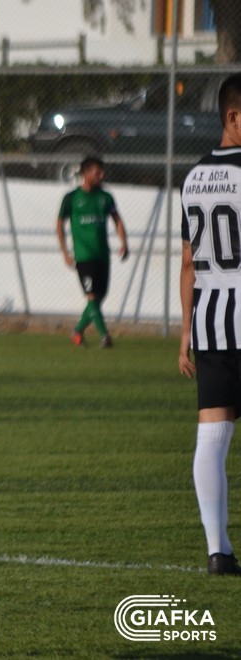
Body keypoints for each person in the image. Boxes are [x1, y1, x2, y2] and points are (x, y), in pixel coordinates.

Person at [178, 72, 241, 577]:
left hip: (211, 324)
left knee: (212, 437)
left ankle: (217, 549)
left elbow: (189, 262)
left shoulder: (194, 177)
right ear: (233, 117)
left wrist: (185, 332)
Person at [55, 156, 129, 348]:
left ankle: (77, 331)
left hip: (102, 255)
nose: (101, 175)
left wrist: (124, 243)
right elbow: (59, 223)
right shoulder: (71, 198)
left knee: (99, 297)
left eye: (101, 172)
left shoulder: (106, 197)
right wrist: (65, 252)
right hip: (83, 256)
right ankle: (105, 336)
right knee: (92, 296)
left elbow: (117, 220)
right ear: (86, 173)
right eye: (97, 172)